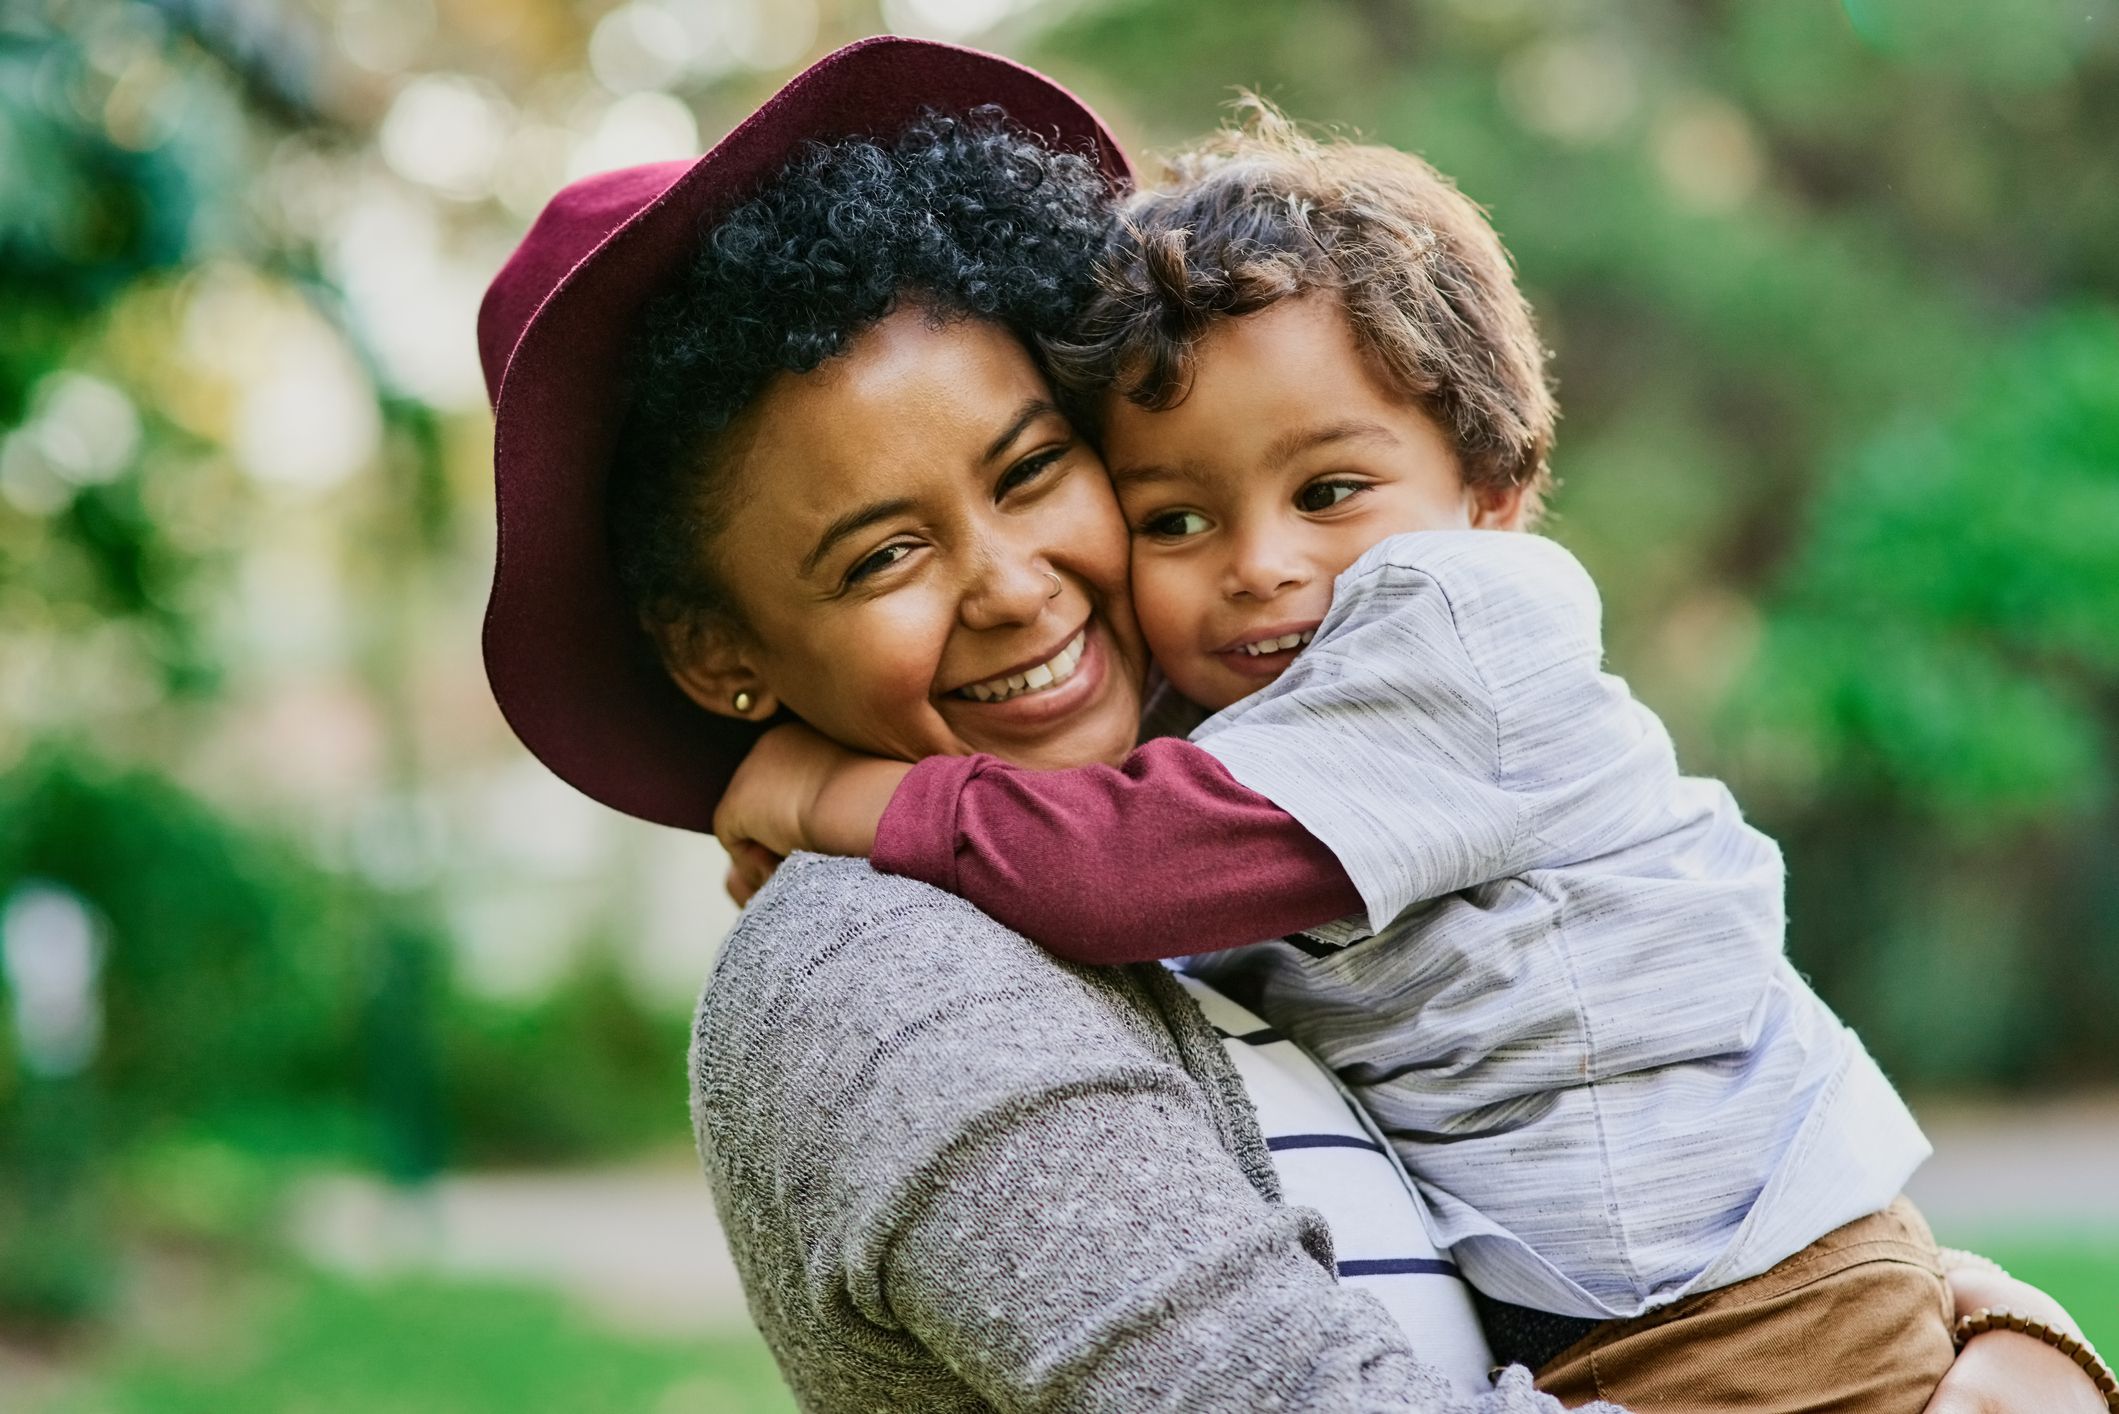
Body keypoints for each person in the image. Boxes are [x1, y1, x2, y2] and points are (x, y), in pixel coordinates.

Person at [478, 35, 2112, 1414]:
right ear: (721, 653)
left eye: (1036, 468)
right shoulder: (881, 972)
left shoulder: (1246, 774)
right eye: (884, 553)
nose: (1013, 583)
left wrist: (1998, 1331)